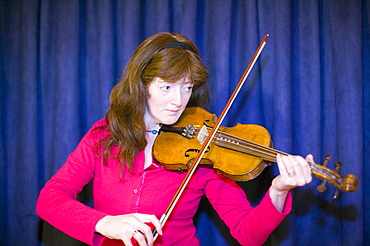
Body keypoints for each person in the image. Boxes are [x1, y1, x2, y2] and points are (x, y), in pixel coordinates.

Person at [36, 32, 313, 246]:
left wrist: (278, 190)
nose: (178, 101)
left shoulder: (204, 152)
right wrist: (104, 223)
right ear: (141, 85)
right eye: (166, 87)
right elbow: (49, 199)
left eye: (187, 88)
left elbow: (247, 233)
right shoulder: (104, 136)